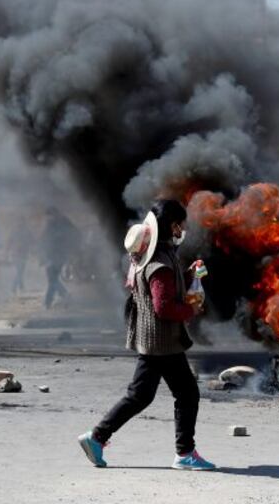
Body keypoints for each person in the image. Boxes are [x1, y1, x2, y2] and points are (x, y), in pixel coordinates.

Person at [79, 199, 215, 471]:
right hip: (161, 342)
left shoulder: (157, 255)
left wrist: (189, 275)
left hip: (153, 340)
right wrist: (190, 310)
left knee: (141, 395)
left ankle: (97, 437)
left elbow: (169, 288)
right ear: (173, 225)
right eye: (181, 224)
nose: (183, 229)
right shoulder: (159, 263)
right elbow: (163, 306)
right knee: (186, 394)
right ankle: (184, 453)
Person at [42, 207, 77, 309]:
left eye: (49, 216)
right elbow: (44, 239)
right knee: (52, 279)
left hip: (59, 255)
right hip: (51, 255)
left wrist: (68, 249)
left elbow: (73, 234)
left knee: (52, 279)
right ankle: (64, 295)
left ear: (55, 214)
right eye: (47, 216)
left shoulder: (64, 223)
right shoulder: (50, 224)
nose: (48, 218)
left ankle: (48, 302)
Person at [6, 217, 33, 294]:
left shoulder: (25, 231)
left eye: (21, 221)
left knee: (20, 271)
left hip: (23, 254)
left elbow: (32, 240)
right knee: (20, 271)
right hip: (16, 254)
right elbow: (9, 241)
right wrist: (7, 251)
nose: (19, 223)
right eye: (19, 221)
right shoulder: (15, 231)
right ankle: (14, 287)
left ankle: (21, 286)